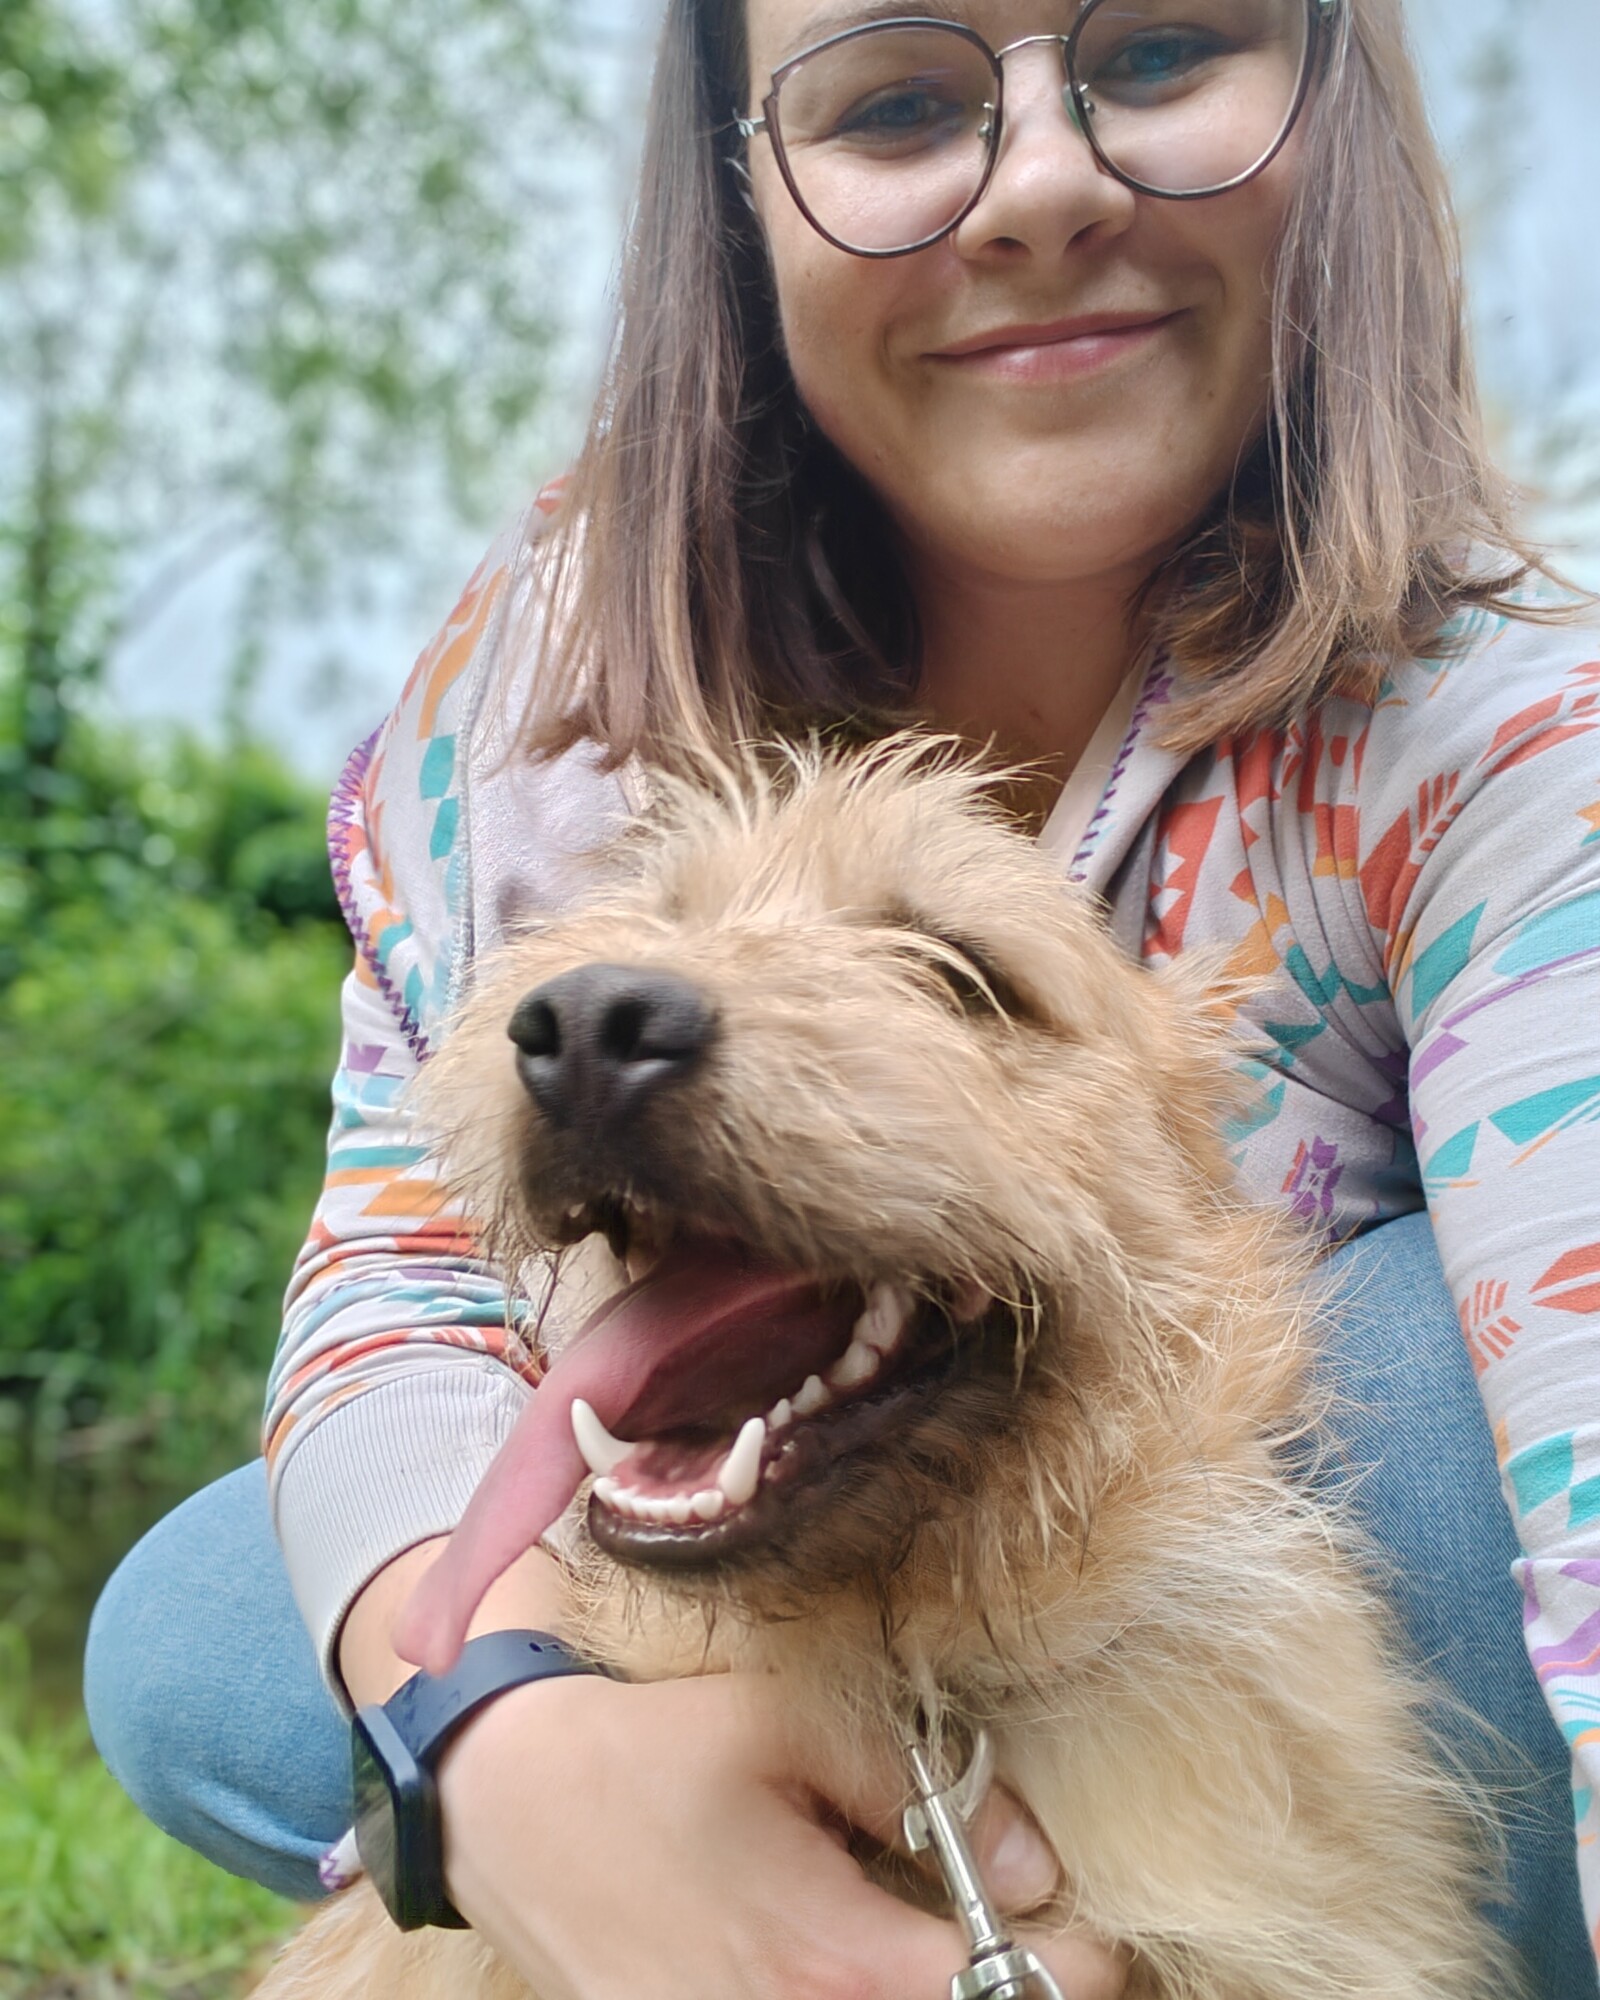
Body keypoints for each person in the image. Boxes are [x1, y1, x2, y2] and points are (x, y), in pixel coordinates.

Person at [85, 0, 1600, 1991]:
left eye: (1157, 54)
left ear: (1336, 101)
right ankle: (693, 1870)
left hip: (1255, 1569)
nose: (1038, 185)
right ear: (739, 202)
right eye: (895, 102)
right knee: (214, 1621)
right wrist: (502, 1748)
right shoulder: (551, 686)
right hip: (739, 1555)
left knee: (1405, 1369)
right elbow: (404, 1275)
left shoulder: (1510, 733)